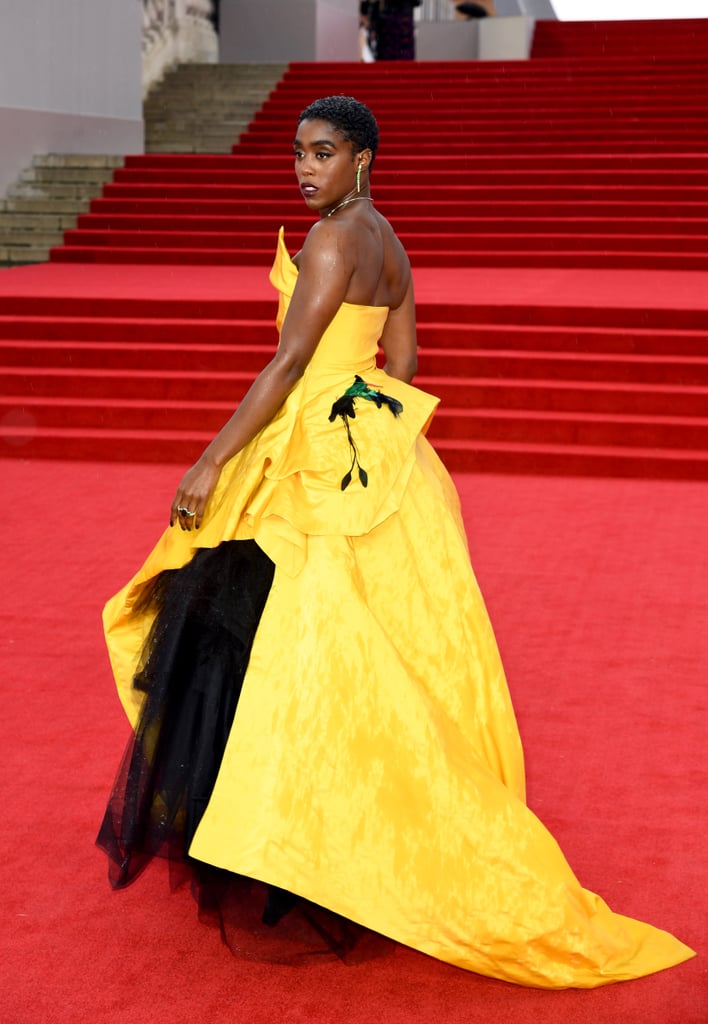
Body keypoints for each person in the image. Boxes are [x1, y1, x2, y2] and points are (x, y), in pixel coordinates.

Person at [97, 95, 694, 987]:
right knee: (371, 665)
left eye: (325, 153)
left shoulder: (334, 242)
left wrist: (212, 459)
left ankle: (291, 836)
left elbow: (291, 363)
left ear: (363, 159)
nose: (305, 168)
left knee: (280, 656)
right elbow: (403, 365)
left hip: (304, 467)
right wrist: (358, 416)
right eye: (298, 153)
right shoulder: (390, 241)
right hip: (374, 466)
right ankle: (338, 831)